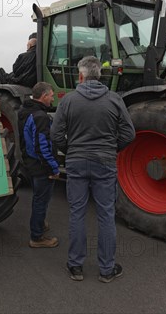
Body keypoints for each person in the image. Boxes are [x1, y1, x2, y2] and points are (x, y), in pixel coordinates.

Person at [51, 56, 135, 282]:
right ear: (99, 75)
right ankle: (107, 270)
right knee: (106, 214)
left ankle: (75, 266)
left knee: (77, 212)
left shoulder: (68, 100)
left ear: (81, 75)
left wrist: (71, 150)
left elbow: (55, 134)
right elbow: (129, 134)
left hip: (76, 162)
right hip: (105, 162)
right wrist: (111, 149)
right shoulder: (115, 99)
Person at [18, 82, 61, 248]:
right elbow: (42, 146)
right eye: (51, 95)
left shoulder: (24, 111)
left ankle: (40, 224)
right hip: (41, 167)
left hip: (30, 162)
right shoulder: (40, 117)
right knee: (41, 201)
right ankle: (37, 237)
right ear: (43, 96)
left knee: (38, 198)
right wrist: (53, 168)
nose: (52, 98)